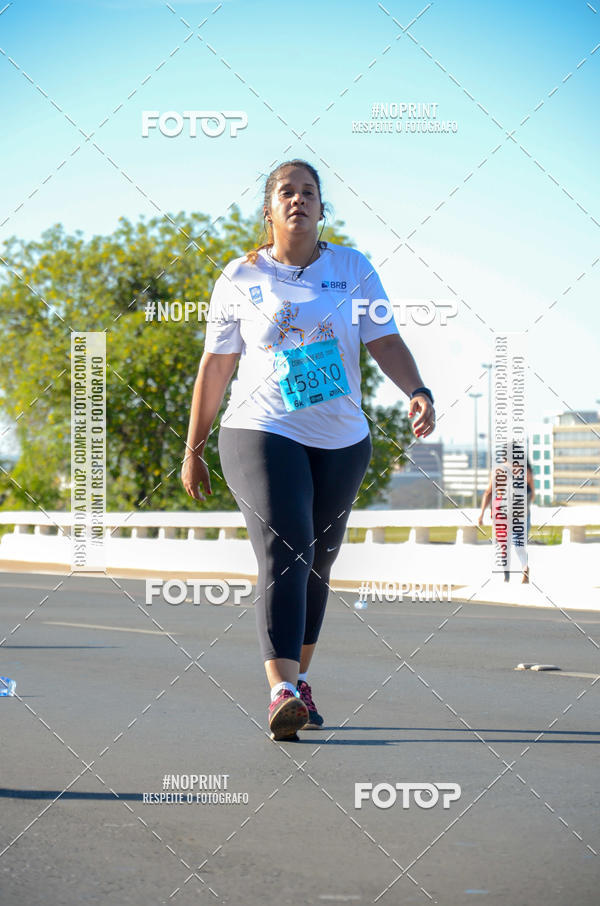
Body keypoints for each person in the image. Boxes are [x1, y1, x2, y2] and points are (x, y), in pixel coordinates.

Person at [181, 159, 435, 741]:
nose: (298, 200)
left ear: (323, 209)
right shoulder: (239, 278)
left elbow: (384, 339)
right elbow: (217, 365)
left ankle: (300, 683)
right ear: (268, 209)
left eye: (309, 192)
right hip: (261, 429)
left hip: (342, 438)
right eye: (286, 192)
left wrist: (417, 390)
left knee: (319, 561)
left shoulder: (353, 268)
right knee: (287, 546)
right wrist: (193, 447)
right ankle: (281, 689)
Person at [479, 457, 534, 583]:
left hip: (501, 509)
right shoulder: (523, 470)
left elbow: (488, 492)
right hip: (519, 510)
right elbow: (530, 492)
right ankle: (524, 567)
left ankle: (506, 576)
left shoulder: (498, 470)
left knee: (504, 545)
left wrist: (481, 514)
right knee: (518, 545)